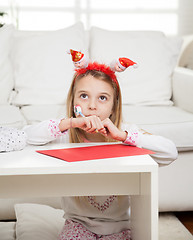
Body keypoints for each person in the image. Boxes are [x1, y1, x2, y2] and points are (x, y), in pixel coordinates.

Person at [24, 53, 178, 240]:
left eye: (102, 98)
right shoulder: (65, 137)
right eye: (83, 96)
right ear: (73, 102)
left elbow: (170, 152)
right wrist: (67, 123)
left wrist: (123, 136)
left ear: (114, 106)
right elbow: (27, 136)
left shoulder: (126, 135)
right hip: (78, 225)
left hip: (122, 227)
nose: (92, 106)